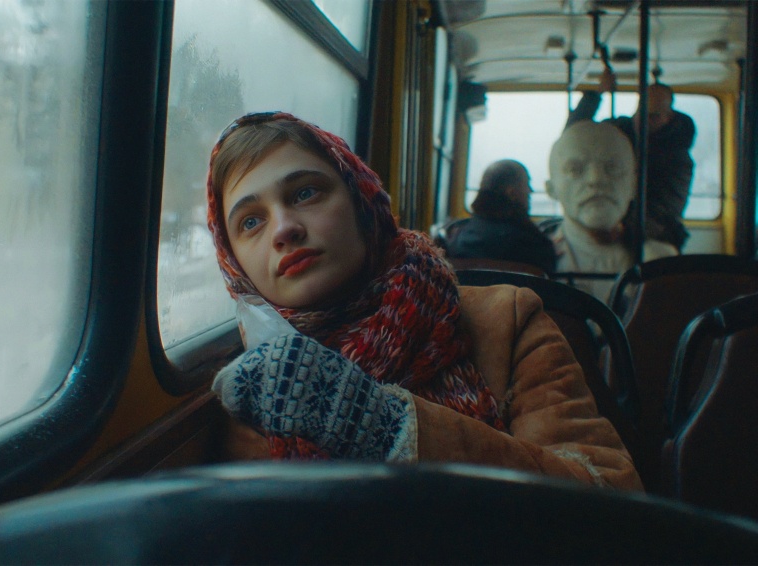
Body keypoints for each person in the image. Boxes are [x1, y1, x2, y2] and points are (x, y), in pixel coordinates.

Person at [206, 111, 642, 491]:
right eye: (251, 222)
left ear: (362, 203)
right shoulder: (257, 385)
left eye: (305, 193)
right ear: (234, 262)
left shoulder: (507, 322)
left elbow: (608, 498)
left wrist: (391, 430)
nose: (284, 228)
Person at [546, 120, 677, 302]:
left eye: (613, 168)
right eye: (575, 170)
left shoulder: (660, 261)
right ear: (551, 189)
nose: (596, 179)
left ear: (634, 185)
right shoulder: (536, 258)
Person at [566, 69, 696, 251]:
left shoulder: (678, 160)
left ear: (668, 118)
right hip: (609, 224)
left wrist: (623, 229)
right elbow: (574, 135)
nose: (642, 121)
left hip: (652, 236)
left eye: (653, 116)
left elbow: (663, 210)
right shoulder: (620, 131)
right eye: (640, 111)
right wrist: (596, 95)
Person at [445, 159, 557, 273]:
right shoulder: (532, 245)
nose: (530, 190)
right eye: (527, 184)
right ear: (511, 193)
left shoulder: (459, 237)